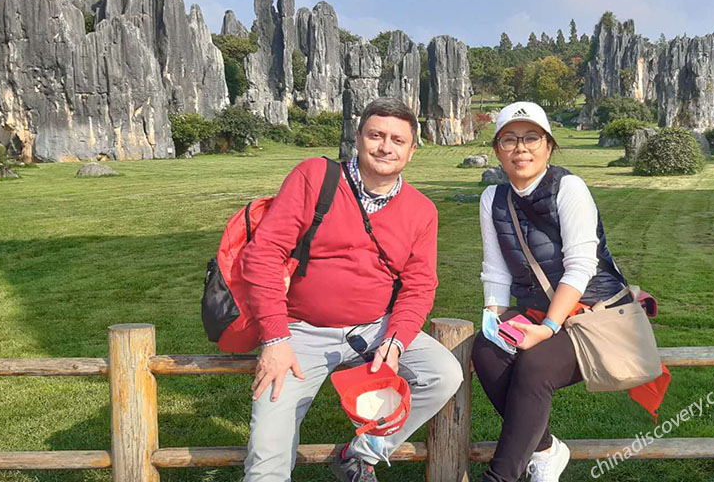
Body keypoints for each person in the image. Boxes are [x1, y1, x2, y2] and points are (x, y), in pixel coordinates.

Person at [240, 97, 463, 482]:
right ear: (358, 138)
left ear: (411, 152)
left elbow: (420, 285)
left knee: (444, 374)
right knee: (267, 455)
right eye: (376, 135)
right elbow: (263, 254)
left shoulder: (422, 209)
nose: (385, 146)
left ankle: (360, 455)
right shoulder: (315, 177)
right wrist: (275, 338)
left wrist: (395, 342)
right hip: (299, 331)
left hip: (374, 328)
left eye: (397, 140)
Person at [472, 101, 632, 482]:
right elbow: (495, 269)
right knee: (487, 349)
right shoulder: (492, 199)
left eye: (531, 138)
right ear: (497, 149)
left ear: (548, 145)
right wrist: (494, 318)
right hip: (536, 311)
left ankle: (501, 476)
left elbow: (582, 265)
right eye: (509, 140)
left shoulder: (569, 187)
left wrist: (547, 328)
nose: (521, 148)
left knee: (534, 366)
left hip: (597, 312)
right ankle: (544, 450)